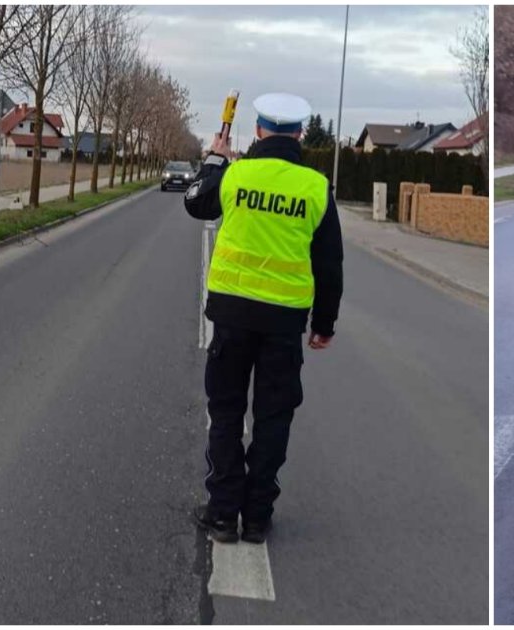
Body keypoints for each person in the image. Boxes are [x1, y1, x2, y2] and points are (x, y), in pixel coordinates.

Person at [184, 92, 343, 544]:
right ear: (299, 134)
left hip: (232, 317)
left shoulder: (236, 174)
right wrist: (324, 325)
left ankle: (222, 513)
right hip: (284, 324)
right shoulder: (315, 188)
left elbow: (196, 202)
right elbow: (330, 263)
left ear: (257, 131)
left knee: (227, 411)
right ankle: (256, 518)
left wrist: (215, 160)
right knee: (274, 418)